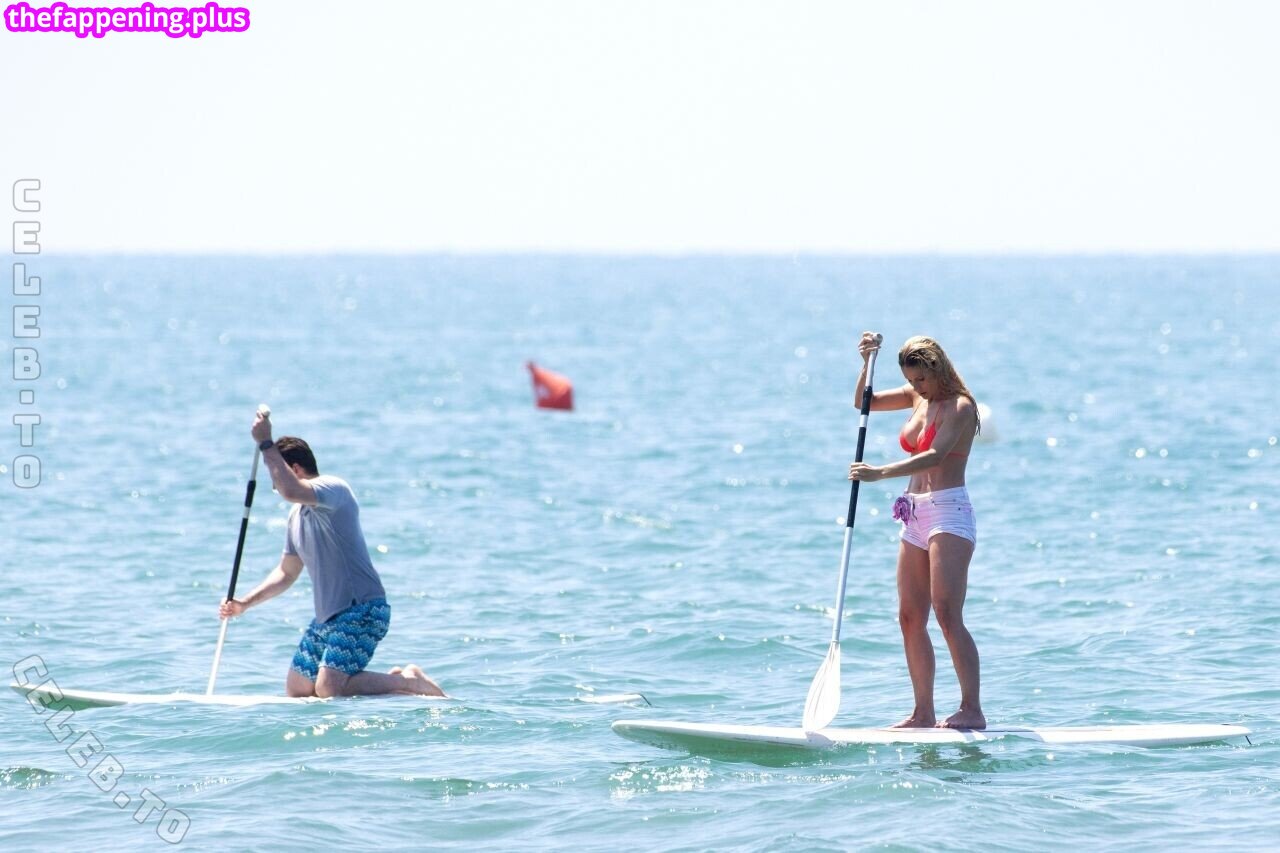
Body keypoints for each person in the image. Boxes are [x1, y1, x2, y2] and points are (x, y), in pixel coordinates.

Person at [218, 409, 446, 699]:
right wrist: (244, 604)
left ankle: (412, 682)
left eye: (276, 481)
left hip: (362, 609)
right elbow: (286, 573)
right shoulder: (296, 516)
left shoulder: (334, 490)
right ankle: (391, 683)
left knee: (329, 689)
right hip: (327, 618)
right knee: (298, 689)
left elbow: (290, 490)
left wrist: (266, 443)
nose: (276, 489)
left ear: (295, 469)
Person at [847, 332, 984, 729]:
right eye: (911, 380)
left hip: (948, 513)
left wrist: (880, 473)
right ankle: (923, 712)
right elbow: (864, 402)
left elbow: (936, 455)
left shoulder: (961, 407)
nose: (916, 386)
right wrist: (867, 363)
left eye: (921, 378)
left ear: (938, 368)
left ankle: (972, 709)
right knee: (909, 616)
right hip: (913, 514)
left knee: (947, 613)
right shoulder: (915, 397)